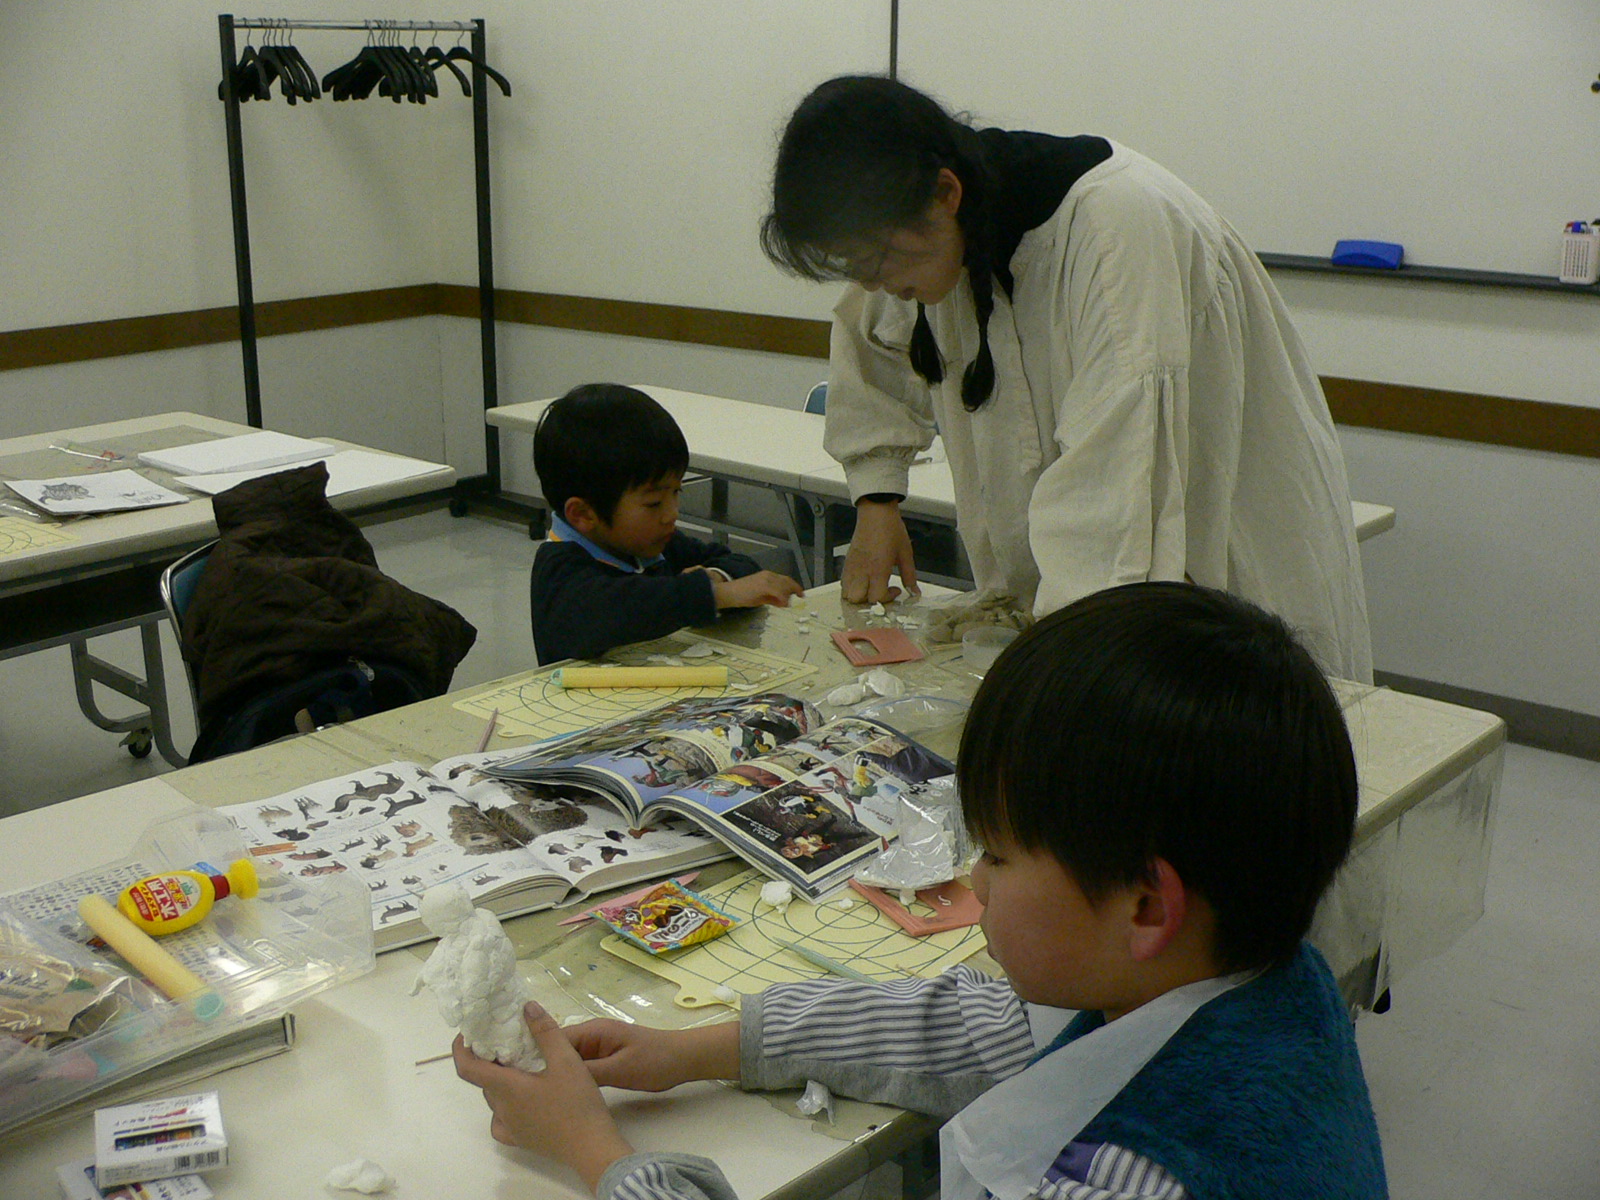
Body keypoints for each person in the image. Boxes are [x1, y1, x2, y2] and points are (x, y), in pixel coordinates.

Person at [454, 582, 1388, 1199]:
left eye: (1000, 857)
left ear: (1146, 906)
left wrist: (594, 1153)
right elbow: (976, 1027)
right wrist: (696, 1048)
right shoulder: (1244, 976)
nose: (974, 879)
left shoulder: (1133, 1179)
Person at [761, 75, 1372, 683]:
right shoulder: (940, 231)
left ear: (945, 192)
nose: (873, 284)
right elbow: (869, 341)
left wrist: (1054, 672)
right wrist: (877, 500)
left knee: (1234, 711)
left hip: (1221, 573)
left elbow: (1112, 500)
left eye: (874, 260)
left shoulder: (1115, 230)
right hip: (1085, 605)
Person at [529, 384, 803, 663]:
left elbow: (739, 564)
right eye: (654, 503)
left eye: (676, 492)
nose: (672, 513)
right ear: (583, 514)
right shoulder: (559, 571)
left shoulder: (653, 543)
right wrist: (714, 595)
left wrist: (717, 578)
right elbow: (621, 609)